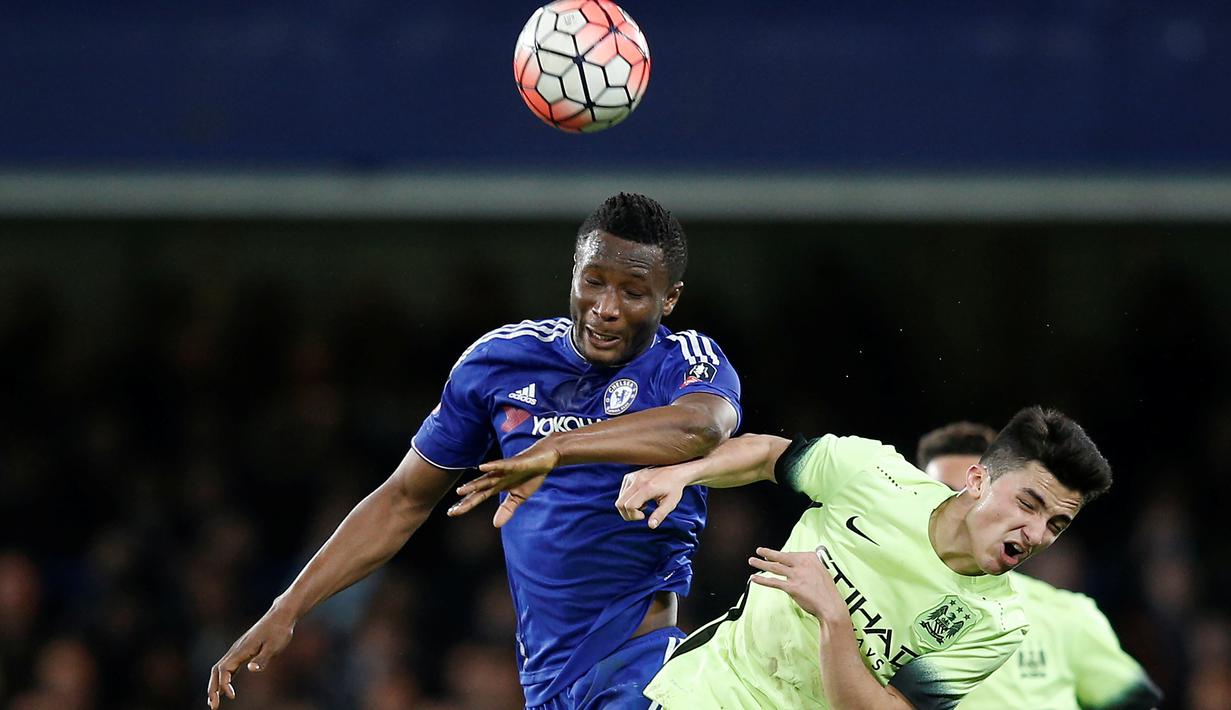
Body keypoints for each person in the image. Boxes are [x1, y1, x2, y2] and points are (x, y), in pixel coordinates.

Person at [205, 193, 742, 709]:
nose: (605, 308)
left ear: (669, 299)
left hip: (641, 667)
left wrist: (557, 447)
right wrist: (289, 606)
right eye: (593, 282)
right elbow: (403, 500)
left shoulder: (685, 361)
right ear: (573, 272)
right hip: (546, 678)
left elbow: (701, 427)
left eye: (633, 292)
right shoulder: (501, 362)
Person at [616, 406, 1112, 709]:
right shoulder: (876, 475)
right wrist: (683, 475)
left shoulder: (996, 623)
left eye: (1056, 524)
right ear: (978, 480)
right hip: (713, 692)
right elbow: (767, 454)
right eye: (1029, 504)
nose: (1036, 534)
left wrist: (834, 616)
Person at [918, 421, 1162, 710]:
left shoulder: (1064, 617)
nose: (966, 507)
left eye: (975, 493)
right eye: (946, 492)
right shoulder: (879, 600)